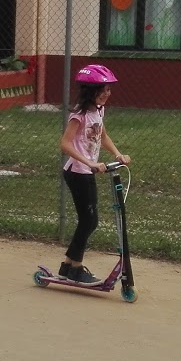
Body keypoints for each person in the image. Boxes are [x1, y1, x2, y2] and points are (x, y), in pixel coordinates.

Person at [58, 64, 131, 285]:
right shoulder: (79, 115)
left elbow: (103, 136)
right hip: (77, 172)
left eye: (109, 89)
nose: (108, 93)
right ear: (91, 91)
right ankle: (75, 268)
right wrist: (90, 162)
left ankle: (68, 265)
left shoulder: (98, 111)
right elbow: (65, 144)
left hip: (86, 172)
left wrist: (118, 154)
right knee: (89, 220)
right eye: (103, 90)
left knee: (89, 221)